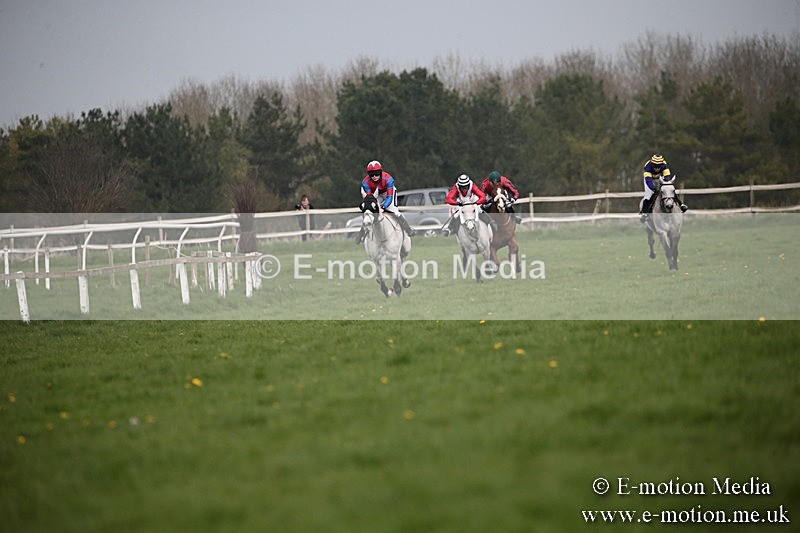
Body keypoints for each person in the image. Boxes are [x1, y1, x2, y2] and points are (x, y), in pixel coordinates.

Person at [354, 160, 416, 244]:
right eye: (371, 174)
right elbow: (369, 198)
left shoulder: (388, 179)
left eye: (377, 173)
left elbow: (389, 198)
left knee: (394, 212)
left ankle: (408, 230)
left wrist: (383, 207)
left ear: (380, 172)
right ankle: (361, 234)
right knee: (369, 212)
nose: (374, 176)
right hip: (376, 194)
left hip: (388, 193)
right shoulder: (365, 182)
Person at [639, 153, 688, 222]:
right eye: (655, 167)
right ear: (652, 165)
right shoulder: (648, 167)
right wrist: (654, 189)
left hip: (660, 178)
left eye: (659, 167)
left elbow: (667, 177)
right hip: (650, 179)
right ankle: (644, 213)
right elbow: (648, 181)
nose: (657, 169)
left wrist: (666, 185)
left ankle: (681, 205)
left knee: (670, 190)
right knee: (649, 195)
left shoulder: (664, 165)